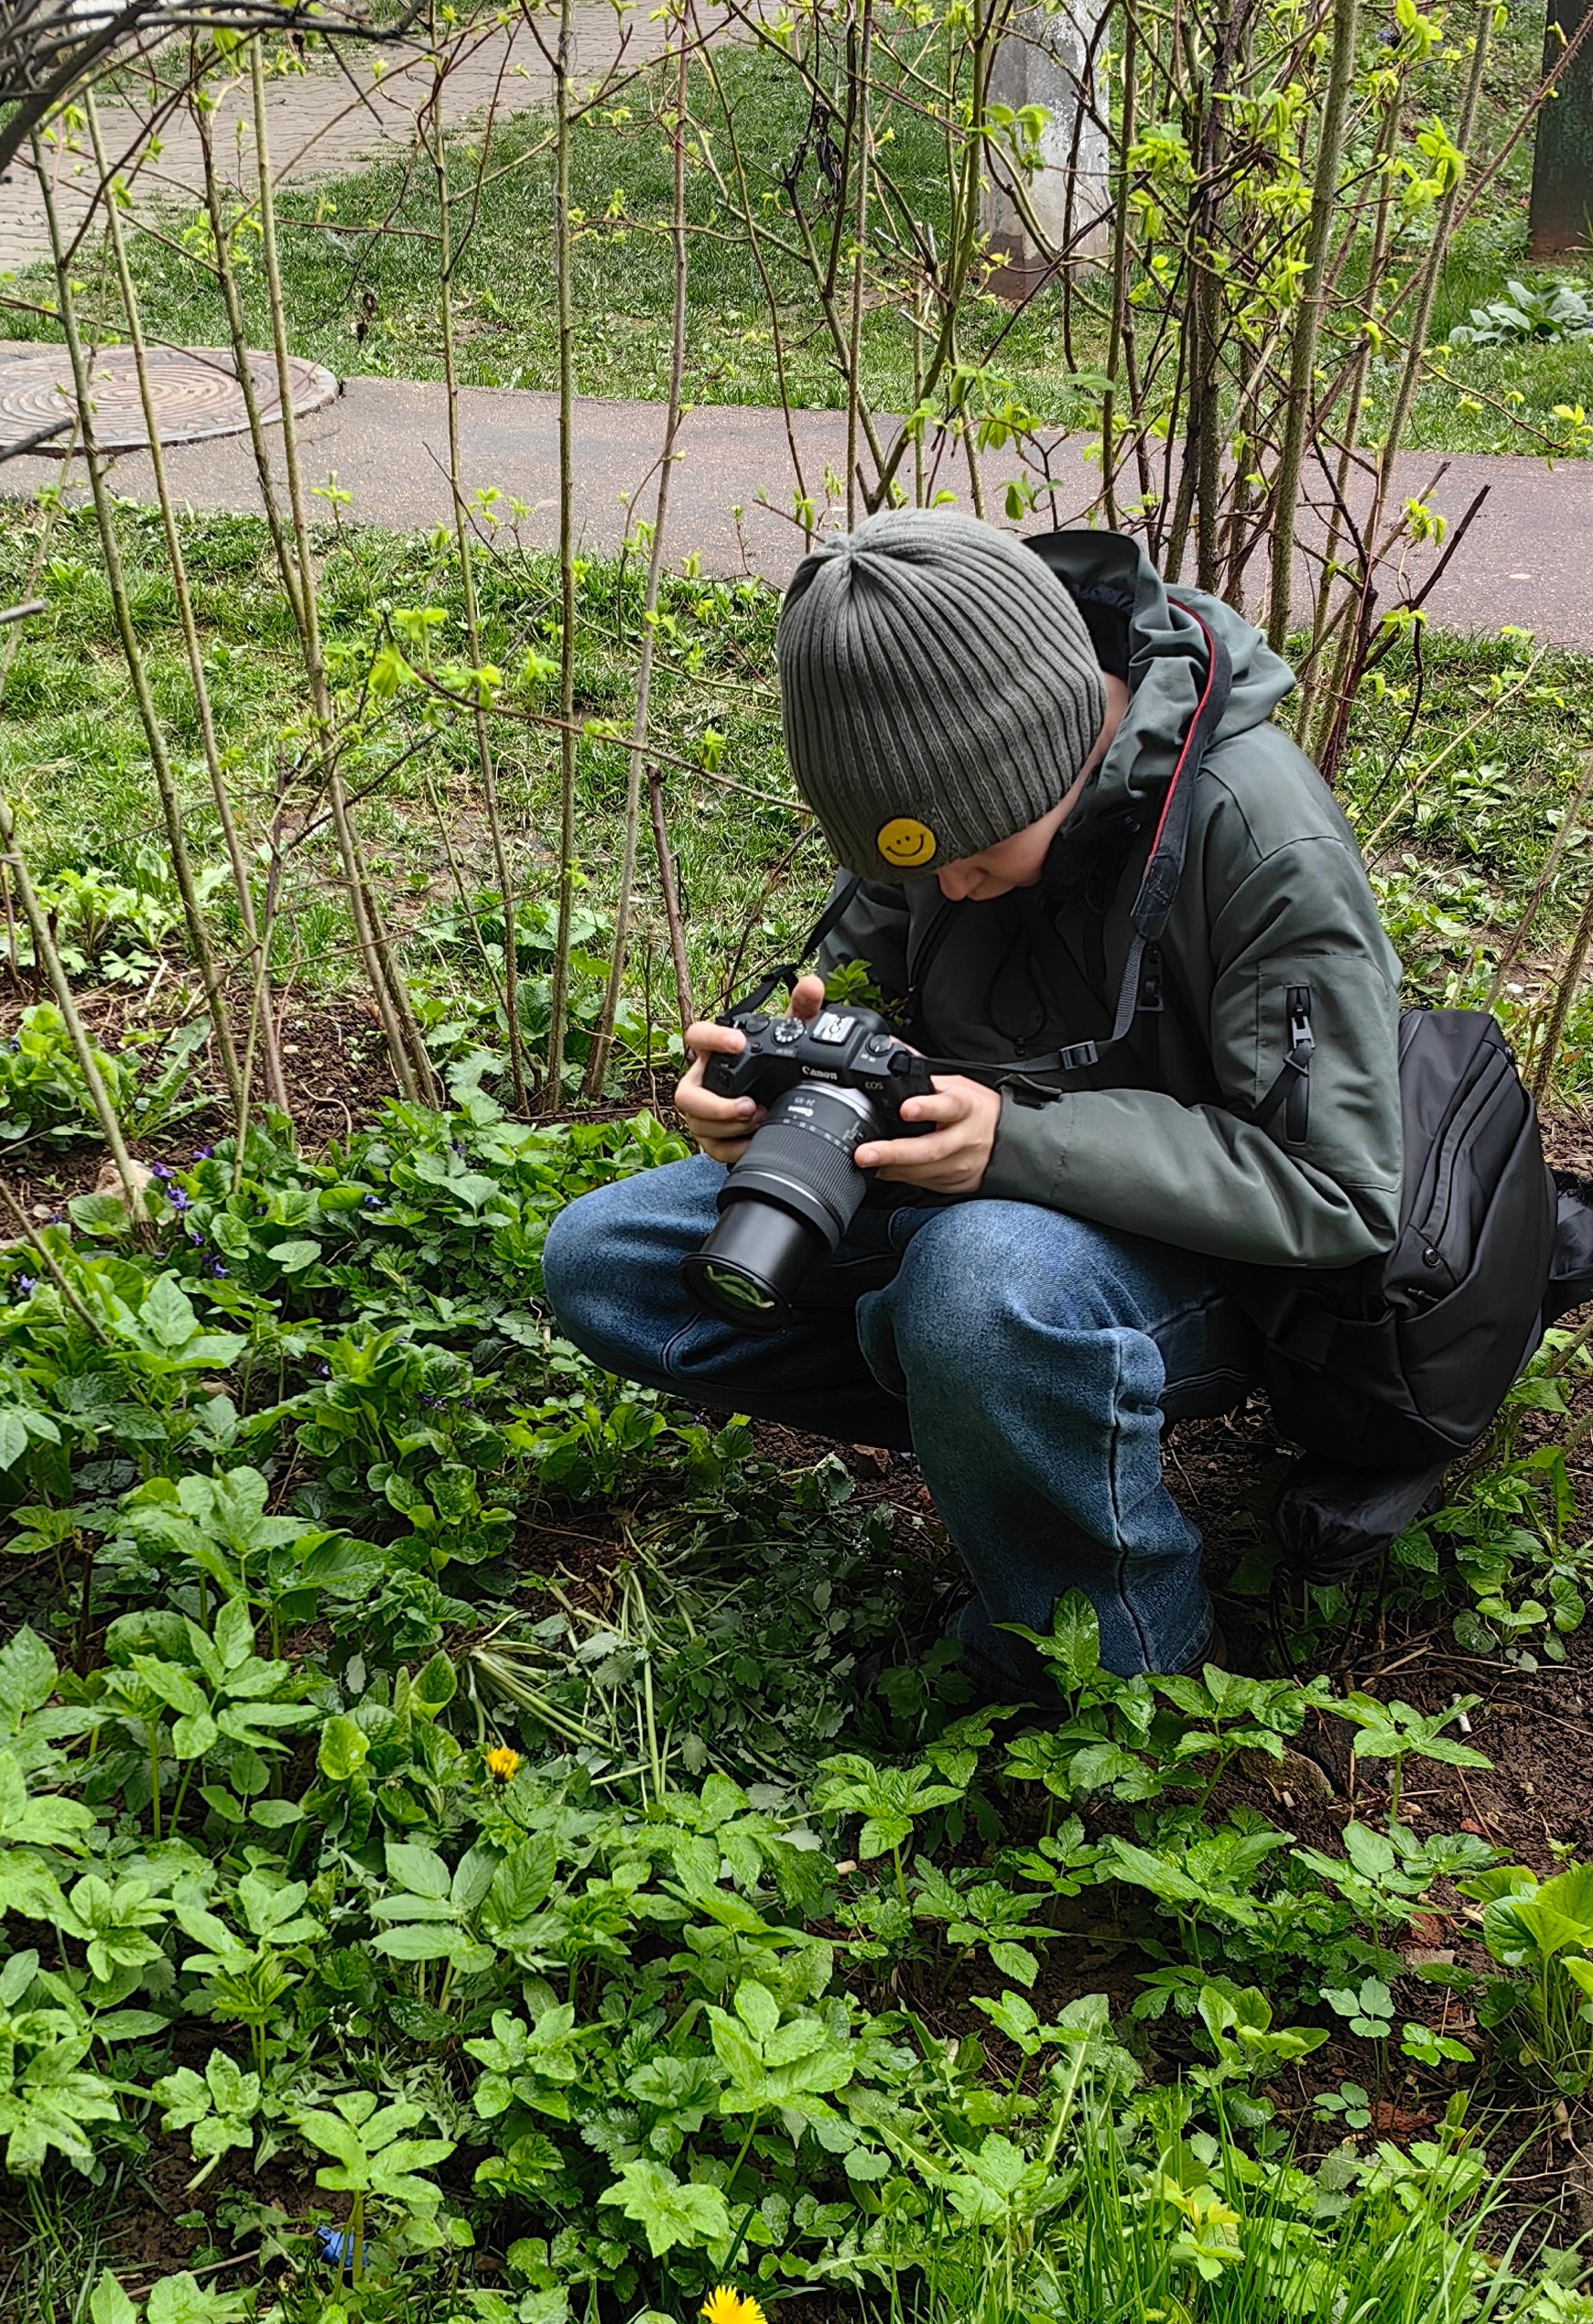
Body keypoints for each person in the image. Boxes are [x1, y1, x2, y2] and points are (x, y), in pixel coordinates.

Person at [542, 510, 1404, 1688]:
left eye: (967, 851)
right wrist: (759, 1068)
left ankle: (1129, 1663)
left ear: (1049, 745)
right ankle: (997, 1420)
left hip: (1215, 1259)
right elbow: (846, 992)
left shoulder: (1258, 839)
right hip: (981, 1194)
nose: (943, 885)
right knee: (604, 1259)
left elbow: (1337, 1191)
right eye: (909, 862)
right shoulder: (947, 808)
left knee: (977, 1287)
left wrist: (1018, 1146)